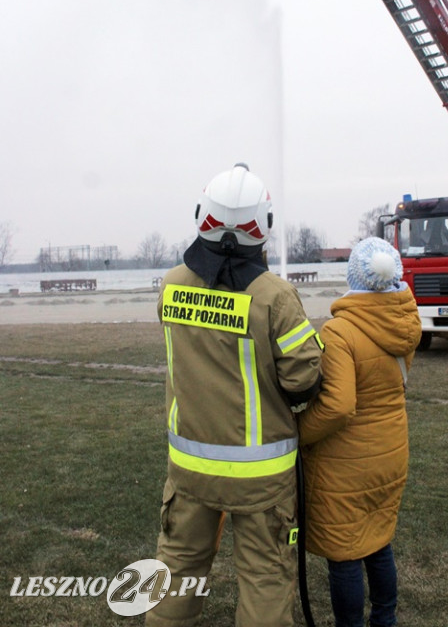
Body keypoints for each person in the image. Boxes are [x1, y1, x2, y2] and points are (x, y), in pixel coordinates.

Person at [146, 163, 322, 627]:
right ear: (262, 226)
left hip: (189, 472)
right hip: (262, 477)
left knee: (176, 572)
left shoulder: (171, 285)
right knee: (265, 578)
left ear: (202, 215)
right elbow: (303, 378)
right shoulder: (275, 298)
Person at [298, 237, 422, 627]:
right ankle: (385, 618)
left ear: (354, 277)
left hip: (348, 464)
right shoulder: (405, 325)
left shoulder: (340, 332)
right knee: (379, 540)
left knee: (345, 552)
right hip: (391, 452)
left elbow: (338, 406)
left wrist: (298, 433)